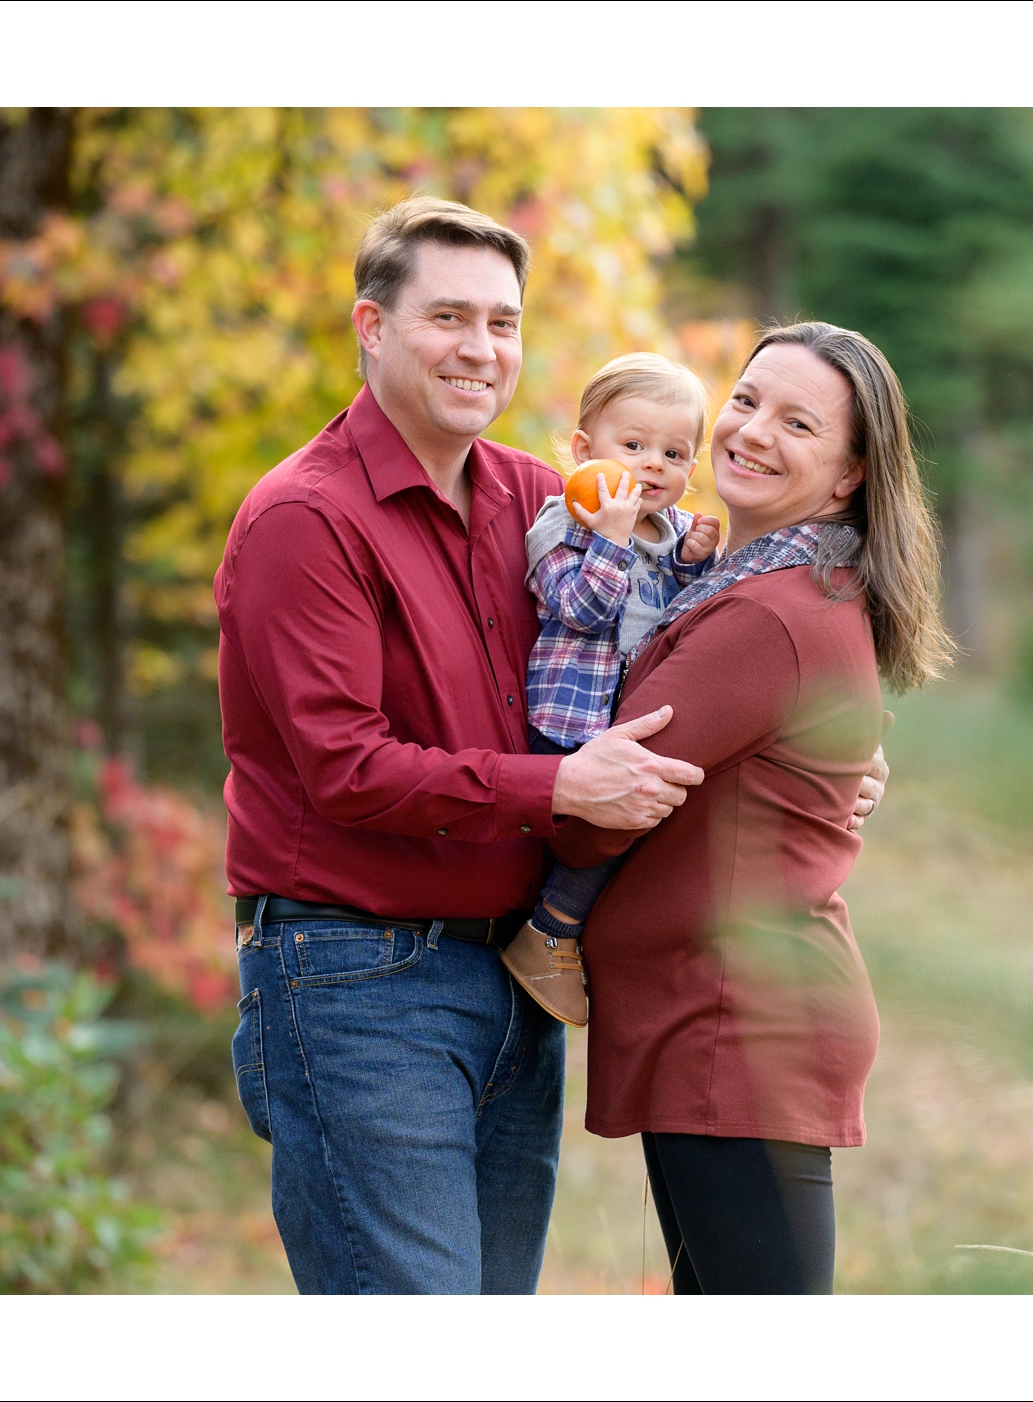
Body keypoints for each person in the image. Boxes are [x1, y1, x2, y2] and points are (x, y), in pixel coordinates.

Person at [215, 197, 712, 1294]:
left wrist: (816, 762)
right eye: (448, 316)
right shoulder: (306, 518)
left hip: (514, 975)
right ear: (371, 325)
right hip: (358, 980)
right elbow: (344, 767)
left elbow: (668, 642)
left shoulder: (540, 496)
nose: (480, 349)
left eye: (502, 321)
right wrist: (560, 784)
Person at [553, 321, 952, 1293]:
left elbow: (603, 806)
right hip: (723, 1013)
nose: (752, 430)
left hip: (736, 1024)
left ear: (850, 471)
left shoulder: (769, 612)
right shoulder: (758, 584)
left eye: (797, 422)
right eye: (745, 400)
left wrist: (522, 796)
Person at [500, 353, 723, 1026]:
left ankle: (565, 937)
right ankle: (549, 930)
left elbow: (685, 624)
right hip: (569, 720)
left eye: (674, 452)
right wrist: (612, 540)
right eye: (633, 446)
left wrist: (692, 563)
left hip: (629, 719)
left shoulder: (678, 531)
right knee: (606, 831)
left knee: (645, 830)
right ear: (583, 450)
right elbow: (582, 609)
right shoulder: (563, 521)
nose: (653, 465)